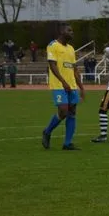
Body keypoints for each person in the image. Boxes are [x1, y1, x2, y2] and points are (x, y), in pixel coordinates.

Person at [42, 21, 85, 150]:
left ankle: (67, 143)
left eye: (72, 31)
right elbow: (52, 65)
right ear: (61, 31)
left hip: (71, 86)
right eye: (69, 30)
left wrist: (81, 87)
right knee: (63, 111)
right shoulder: (53, 46)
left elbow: (74, 69)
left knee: (72, 112)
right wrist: (63, 82)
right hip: (59, 86)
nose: (72, 33)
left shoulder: (71, 49)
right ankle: (47, 131)